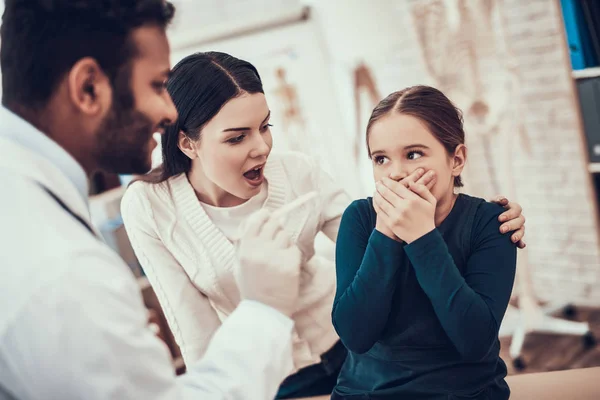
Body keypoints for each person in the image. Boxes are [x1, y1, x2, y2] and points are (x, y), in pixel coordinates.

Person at [120, 52, 527, 399]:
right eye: (237, 137)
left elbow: (377, 242)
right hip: (270, 376)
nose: (261, 147)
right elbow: (194, 331)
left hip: (347, 356)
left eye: (265, 126)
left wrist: (475, 219)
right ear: (188, 143)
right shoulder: (149, 207)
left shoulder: (298, 172)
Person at [0, 2, 304, 399]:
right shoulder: (65, 270)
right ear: (89, 88)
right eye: (158, 85)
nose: (169, 111)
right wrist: (264, 309)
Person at [331, 85, 519, 400]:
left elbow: (475, 342)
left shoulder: (490, 221)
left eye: (413, 154)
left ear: (456, 160)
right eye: (381, 159)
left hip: (464, 392)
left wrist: (422, 236)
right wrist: (386, 232)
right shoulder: (361, 218)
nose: (396, 173)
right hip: (367, 392)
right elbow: (356, 335)